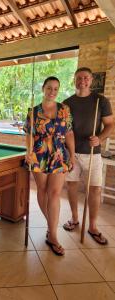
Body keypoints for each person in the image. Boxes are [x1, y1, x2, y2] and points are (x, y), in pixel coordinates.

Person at [24, 76, 75, 256]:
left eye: (55, 89)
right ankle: (50, 223)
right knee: (42, 189)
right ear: (43, 88)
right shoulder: (33, 111)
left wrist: (73, 155)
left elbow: (69, 133)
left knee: (54, 193)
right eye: (49, 88)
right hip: (39, 153)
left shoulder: (64, 109)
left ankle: (52, 235)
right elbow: (29, 134)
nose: (52, 92)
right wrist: (29, 152)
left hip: (59, 154)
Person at [63, 67, 114, 244]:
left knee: (95, 189)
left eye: (85, 78)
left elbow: (109, 125)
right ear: (74, 80)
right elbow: (65, 129)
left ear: (91, 80)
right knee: (71, 186)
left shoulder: (101, 101)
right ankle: (75, 218)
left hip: (93, 153)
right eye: (79, 78)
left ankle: (92, 226)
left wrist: (99, 138)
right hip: (72, 153)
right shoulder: (67, 103)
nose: (82, 81)